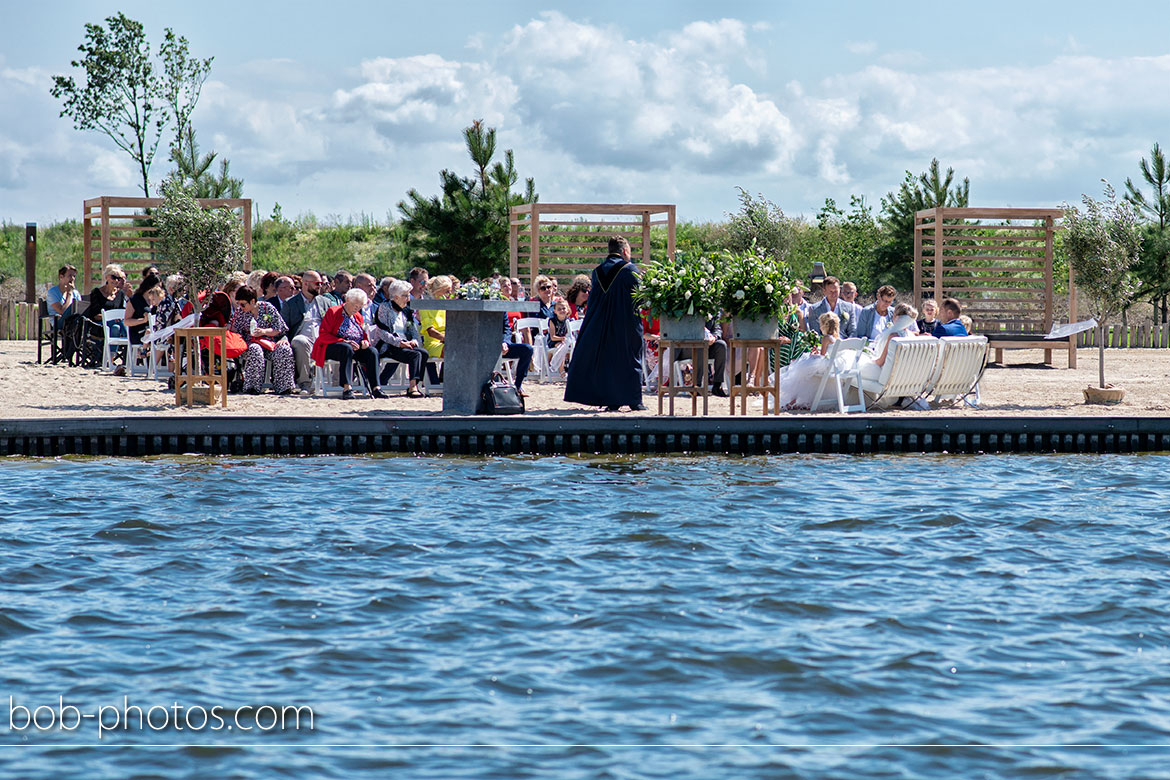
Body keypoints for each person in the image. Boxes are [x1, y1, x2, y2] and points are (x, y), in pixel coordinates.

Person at [564, 236, 645, 411]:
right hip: (625, 323)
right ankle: (634, 400)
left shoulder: (597, 271)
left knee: (610, 361)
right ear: (624, 251)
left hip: (602, 325)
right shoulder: (629, 269)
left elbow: (594, 302)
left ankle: (613, 400)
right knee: (631, 358)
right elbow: (640, 298)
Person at [311, 288, 387, 399]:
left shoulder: (358, 316)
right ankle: (347, 387)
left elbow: (362, 334)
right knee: (346, 348)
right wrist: (344, 341)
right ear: (347, 300)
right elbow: (323, 334)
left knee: (372, 351)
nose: (357, 309)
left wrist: (364, 342)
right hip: (332, 346)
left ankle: (376, 387)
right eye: (354, 305)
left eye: (360, 306)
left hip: (354, 347)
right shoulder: (334, 311)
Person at [228, 286, 295, 395]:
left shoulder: (267, 308)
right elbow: (236, 329)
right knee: (255, 350)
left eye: (243, 304)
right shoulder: (241, 312)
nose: (241, 307)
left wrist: (263, 332)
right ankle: (252, 387)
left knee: (284, 350)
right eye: (239, 304)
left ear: (253, 301)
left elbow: (278, 328)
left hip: (270, 342)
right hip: (250, 343)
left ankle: (284, 387)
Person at [373, 280, 429, 398]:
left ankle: (416, 384)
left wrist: (414, 340)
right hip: (388, 345)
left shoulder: (406, 309)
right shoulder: (384, 307)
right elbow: (382, 332)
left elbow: (412, 328)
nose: (408, 298)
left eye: (408, 295)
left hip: (405, 344)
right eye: (405, 295)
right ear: (396, 297)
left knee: (423, 353)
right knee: (415, 355)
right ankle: (412, 387)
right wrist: (400, 343)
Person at [776, 311, 841, 409]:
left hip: (826, 365)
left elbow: (822, 356)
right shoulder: (836, 339)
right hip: (833, 365)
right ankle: (797, 402)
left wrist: (814, 354)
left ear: (824, 326)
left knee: (801, 373)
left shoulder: (825, 338)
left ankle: (792, 401)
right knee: (806, 374)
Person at [290, 270, 324, 393]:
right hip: (303, 337)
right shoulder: (291, 303)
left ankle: (337, 384)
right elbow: (283, 326)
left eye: (321, 283)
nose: (320, 286)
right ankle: (305, 383)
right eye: (317, 283)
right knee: (300, 341)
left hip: (322, 337)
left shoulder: (324, 302)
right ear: (305, 284)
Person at [419, 275, 452, 382]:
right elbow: (430, 331)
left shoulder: (447, 305)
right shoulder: (425, 306)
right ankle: (446, 380)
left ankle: (445, 379)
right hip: (432, 342)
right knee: (451, 349)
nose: (449, 294)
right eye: (446, 291)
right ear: (438, 290)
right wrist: (447, 339)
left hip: (447, 340)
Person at [47, 265, 81, 329]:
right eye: (70, 276)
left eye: (74, 276)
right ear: (61, 277)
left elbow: (81, 309)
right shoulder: (52, 292)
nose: (72, 278)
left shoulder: (76, 293)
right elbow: (63, 311)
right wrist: (69, 293)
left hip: (75, 320)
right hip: (59, 322)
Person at [547, 298, 572, 378]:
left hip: (565, 342)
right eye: (559, 309)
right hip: (554, 341)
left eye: (564, 308)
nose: (562, 310)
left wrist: (565, 340)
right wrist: (562, 339)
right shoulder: (552, 321)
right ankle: (562, 370)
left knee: (566, 345)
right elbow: (552, 337)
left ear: (568, 310)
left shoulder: (569, 321)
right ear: (555, 311)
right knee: (562, 347)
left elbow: (570, 334)